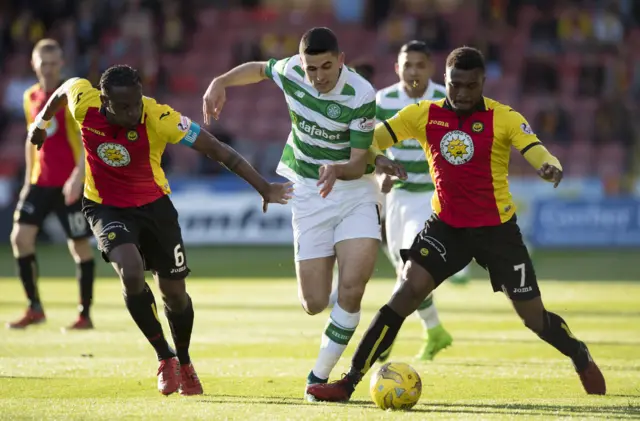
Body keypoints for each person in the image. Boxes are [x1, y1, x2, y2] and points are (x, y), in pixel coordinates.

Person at [306, 46, 606, 402]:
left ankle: (577, 352)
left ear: (482, 83)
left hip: (497, 232)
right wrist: (379, 158)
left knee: (533, 319)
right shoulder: (423, 114)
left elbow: (534, 146)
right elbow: (368, 142)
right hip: (446, 227)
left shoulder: (504, 117)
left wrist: (548, 164)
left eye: (471, 86)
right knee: (404, 295)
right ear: (445, 81)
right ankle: (349, 381)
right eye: (455, 85)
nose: (462, 93)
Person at [28, 65, 293, 396]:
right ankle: (164, 356)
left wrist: (263, 187)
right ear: (104, 101)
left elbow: (216, 149)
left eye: (136, 102)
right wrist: (41, 123)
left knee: (175, 295)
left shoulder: (159, 116)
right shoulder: (85, 103)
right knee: (131, 271)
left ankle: (184, 361)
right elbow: (63, 90)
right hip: (105, 206)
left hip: (155, 208)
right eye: (123, 106)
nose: (133, 111)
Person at [202, 27, 404, 401]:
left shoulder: (360, 93)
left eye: (326, 66)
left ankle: (319, 377)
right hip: (309, 193)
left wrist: (338, 170)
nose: (318, 76)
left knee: (353, 288)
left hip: (354, 190)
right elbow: (261, 69)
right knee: (313, 303)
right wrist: (222, 80)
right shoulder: (292, 71)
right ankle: (333, 308)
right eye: (312, 68)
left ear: (341, 60)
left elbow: (359, 161)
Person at [8, 39, 96, 331]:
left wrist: (78, 176)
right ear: (34, 65)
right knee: (20, 239)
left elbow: (87, 140)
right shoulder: (30, 96)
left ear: (61, 64)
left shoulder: (70, 98)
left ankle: (85, 314)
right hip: (39, 183)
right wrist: (26, 181)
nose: (48, 69)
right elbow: (31, 139)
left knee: (80, 246)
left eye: (53, 63)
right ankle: (35, 307)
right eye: (43, 63)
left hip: (68, 183)